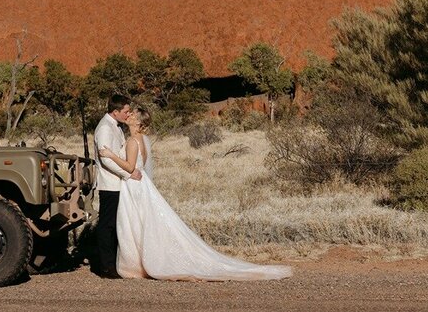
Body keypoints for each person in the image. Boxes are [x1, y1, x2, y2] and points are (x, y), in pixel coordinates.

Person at [98, 106, 292, 281]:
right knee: (142, 223)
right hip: (141, 185)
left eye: (132, 114)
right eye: (128, 113)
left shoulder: (133, 141)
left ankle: (138, 264)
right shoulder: (141, 140)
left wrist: (112, 155)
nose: (128, 115)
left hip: (134, 187)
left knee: (136, 224)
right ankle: (141, 261)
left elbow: (131, 167)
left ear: (138, 122)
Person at [92, 94, 140, 278]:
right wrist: (128, 174)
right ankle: (106, 267)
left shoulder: (116, 126)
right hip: (110, 184)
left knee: (115, 223)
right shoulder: (105, 128)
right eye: (126, 111)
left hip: (118, 183)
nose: (128, 115)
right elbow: (106, 160)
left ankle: (114, 263)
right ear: (115, 111)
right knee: (107, 225)